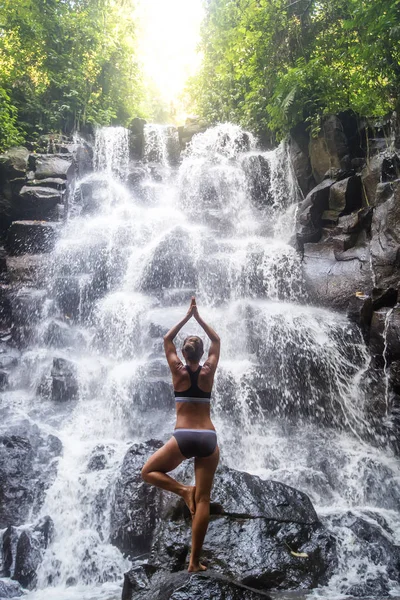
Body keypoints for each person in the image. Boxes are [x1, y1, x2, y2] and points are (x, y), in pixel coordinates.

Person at [141, 296, 220, 573]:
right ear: (200, 354)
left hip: (184, 436)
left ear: (185, 354)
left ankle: (182, 490)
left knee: (148, 471)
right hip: (208, 438)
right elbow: (217, 340)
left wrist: (187, 316)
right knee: (204, 500)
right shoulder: (208, 371)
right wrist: (200, 319)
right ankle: (194, 562)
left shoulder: (178, 371)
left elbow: (167, 338)